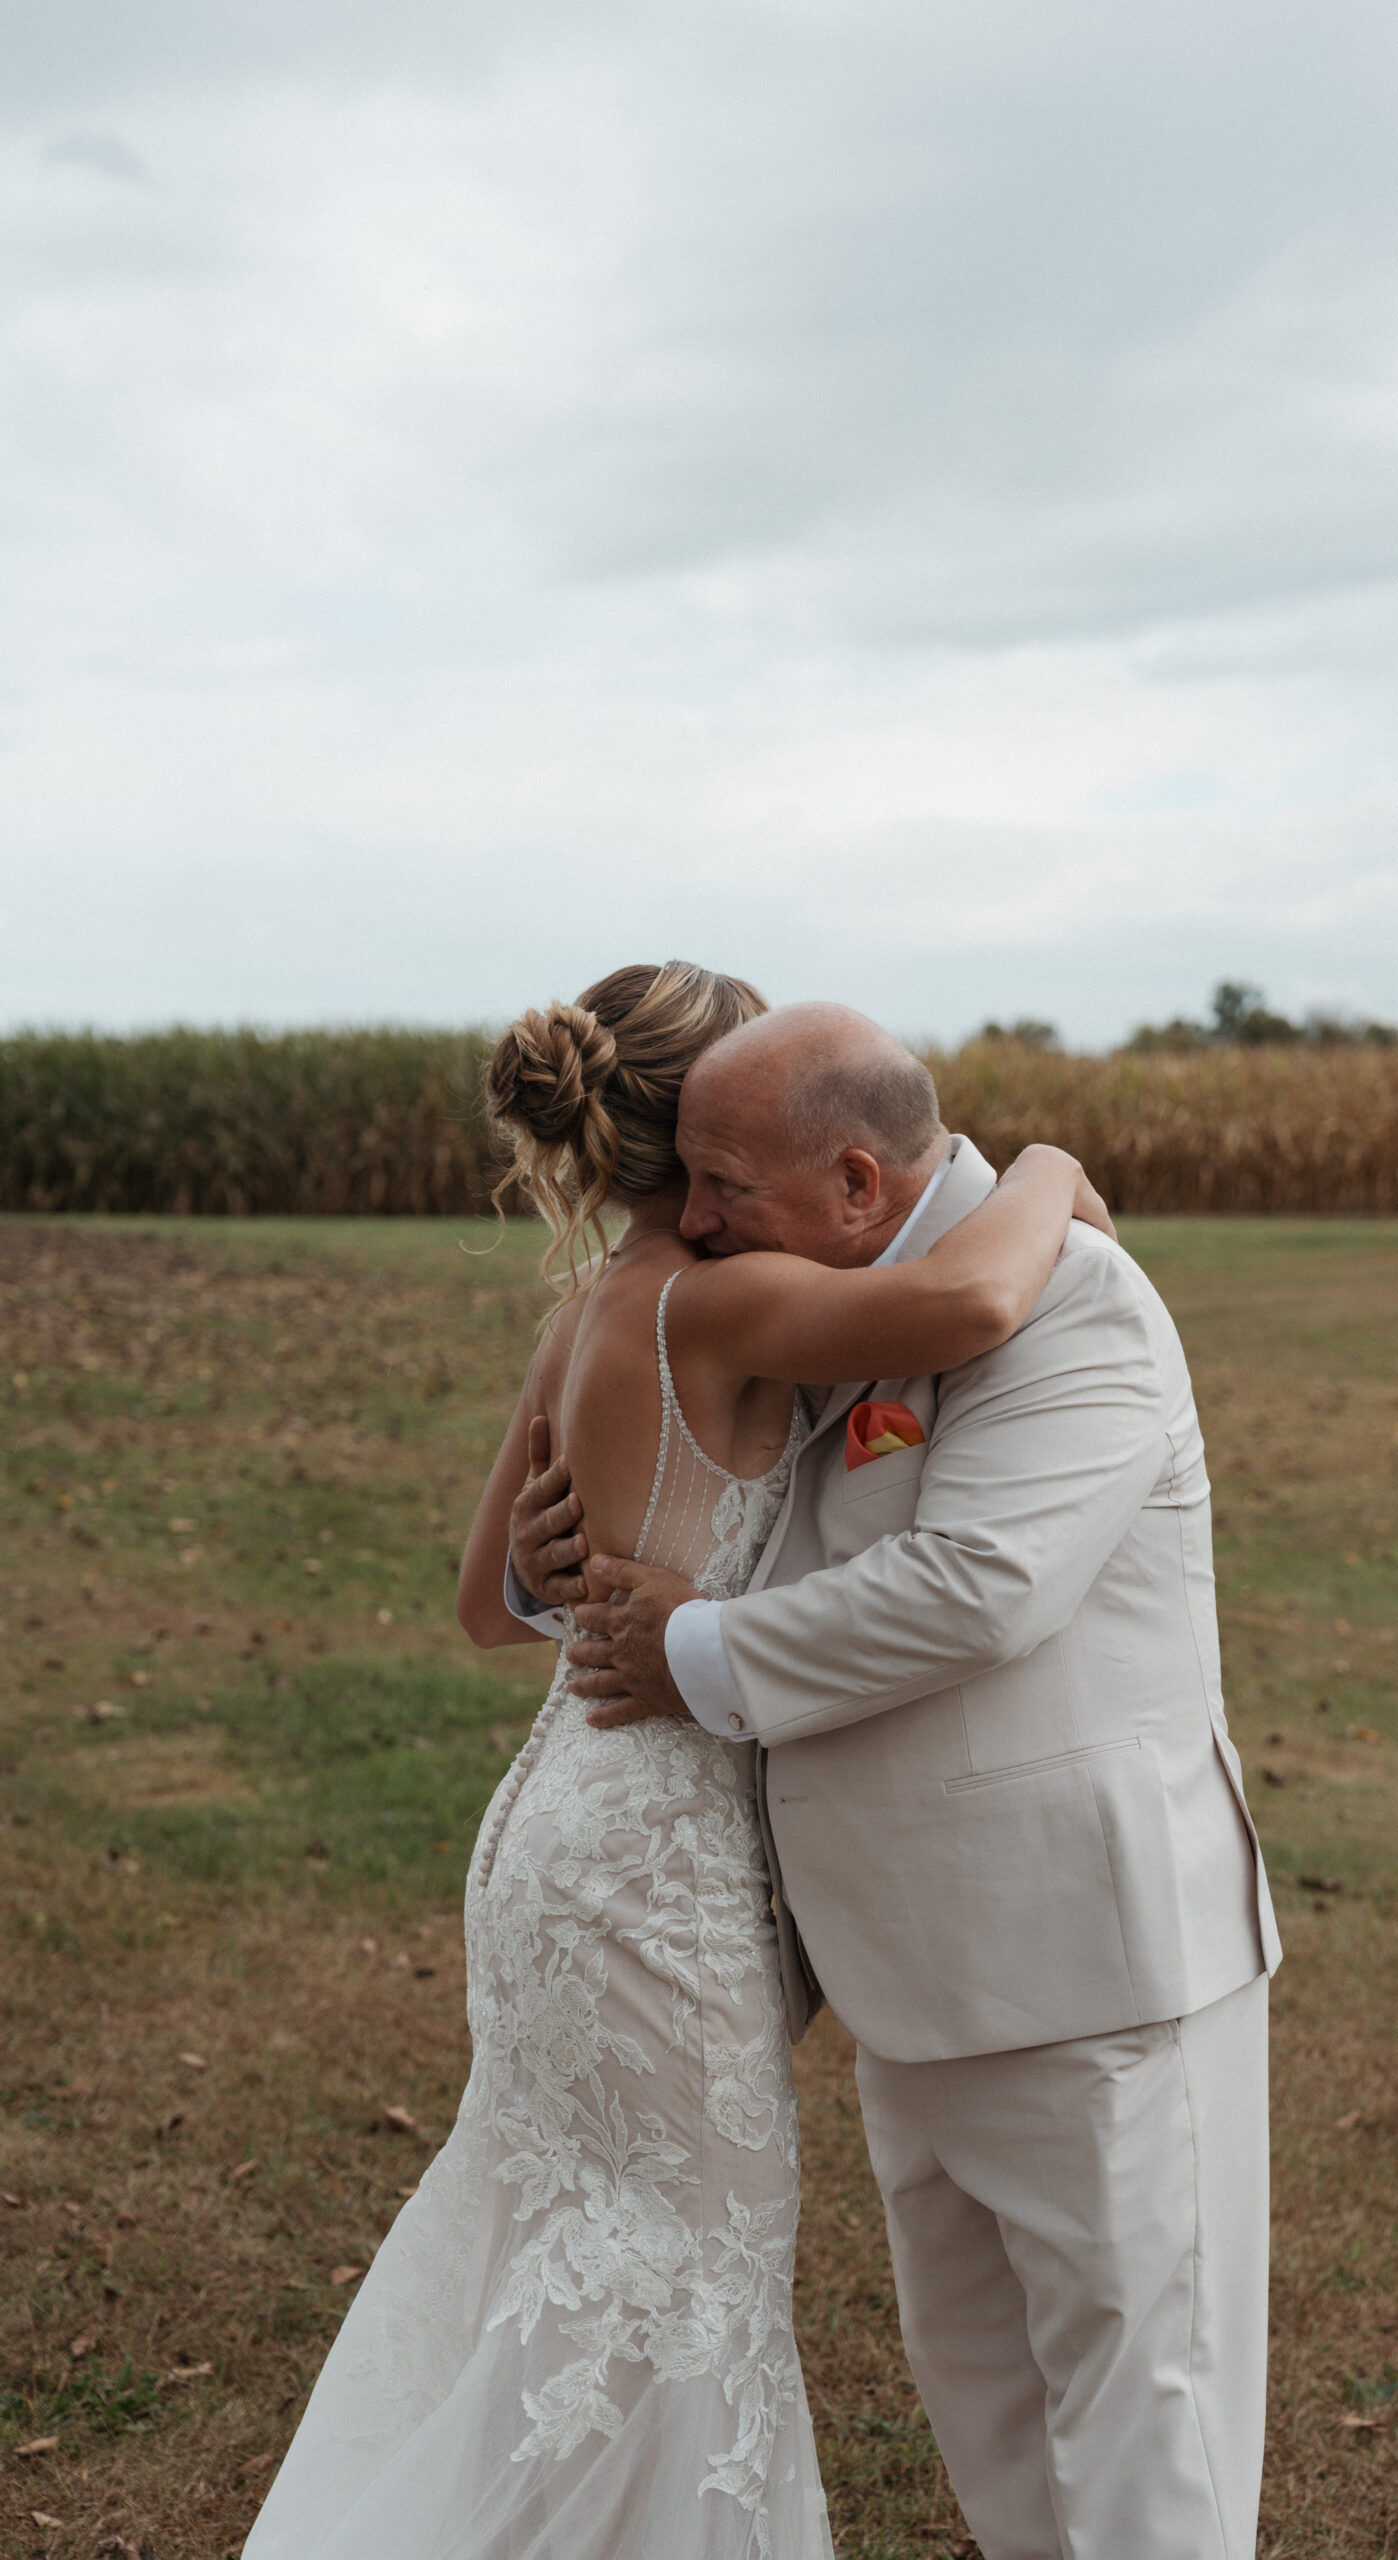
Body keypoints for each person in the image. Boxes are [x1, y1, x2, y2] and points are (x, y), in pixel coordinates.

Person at [244, 960, 1111, 2560]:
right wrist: (1048, 1166)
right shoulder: (714, 1302)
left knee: (581, 2254)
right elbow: (980, 1299)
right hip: (655, 1856)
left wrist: (560, 1552)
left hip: (552, 1821)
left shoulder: (589, 1305)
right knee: (680, 2293)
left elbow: (479, 1604)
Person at [512, 1000, 1284, 2560]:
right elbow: (695, 1473)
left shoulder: (1079, 1302)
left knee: (1148, 2426)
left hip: (1091, 1969)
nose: (699, 1216)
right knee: (987, 2411)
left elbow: (981, 1585)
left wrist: (697, 1653)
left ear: (859, 1182)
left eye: (722, 1182)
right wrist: (567, 1566)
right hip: (898, 1973)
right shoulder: (832, 1297)